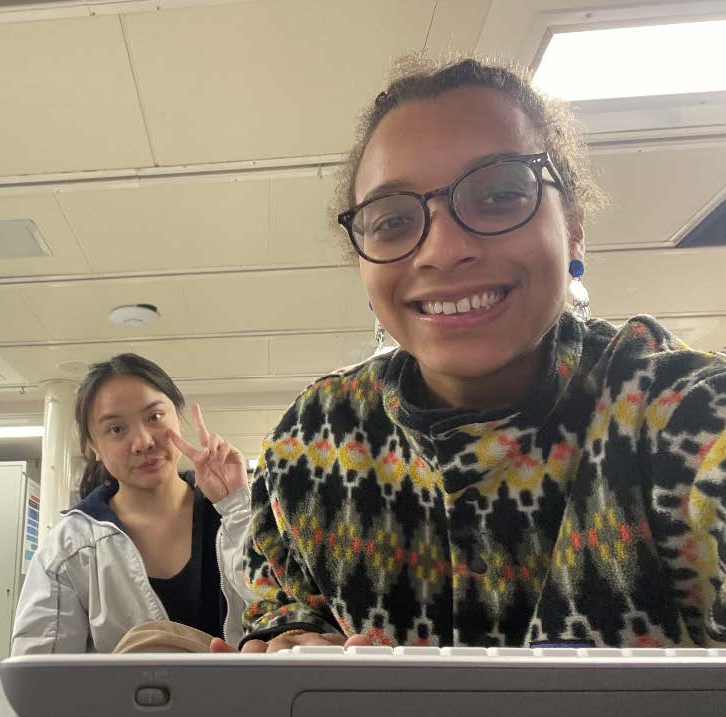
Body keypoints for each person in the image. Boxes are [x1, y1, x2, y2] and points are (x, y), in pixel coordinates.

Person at [213, 54, 726, 655]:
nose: (444, 249)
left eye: (500, 194)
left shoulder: (676, 415)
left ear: (575, 226)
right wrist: (296, 643)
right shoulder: (312, 440)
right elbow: (283, 602)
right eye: (392, 219)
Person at [11, 353, 253, 654]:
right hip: (120, 703)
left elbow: (294, 618)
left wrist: (238, 510)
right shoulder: (70, 550)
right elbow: (43, 677)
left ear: (177, 417)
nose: (143, 442)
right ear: (93, 447)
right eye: (116, 429)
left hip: (247, 701)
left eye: (154, 417)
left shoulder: (239, 515)